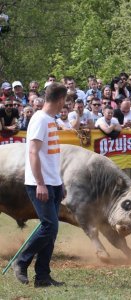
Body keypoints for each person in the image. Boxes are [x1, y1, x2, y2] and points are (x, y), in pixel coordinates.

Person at [12, 82, 67, 287]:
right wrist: (41, 184)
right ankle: (22, 261)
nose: (65, 105)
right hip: (39, 184)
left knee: (51, 231)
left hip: (53, 183)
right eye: (65, 101)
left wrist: (59, 183)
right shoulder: (39, 119)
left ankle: (42, 277)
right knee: (49, 225)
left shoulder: (51, 120)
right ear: (60, 100)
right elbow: (33, 152)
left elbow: (51, 156)